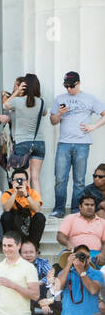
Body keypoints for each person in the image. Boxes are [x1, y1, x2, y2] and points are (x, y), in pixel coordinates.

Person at [50, 71, 105, 216]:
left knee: (79, 180)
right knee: (60, 179)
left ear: (78, 83)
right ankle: (59, 209)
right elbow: (53, 121)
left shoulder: (89, 98)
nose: (69, 89)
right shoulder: (60, 98)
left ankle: (76, 210)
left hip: (82, 144)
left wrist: (94, 126)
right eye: (66, 86)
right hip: (64, 143)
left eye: (71, 86)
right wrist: (60, 114)